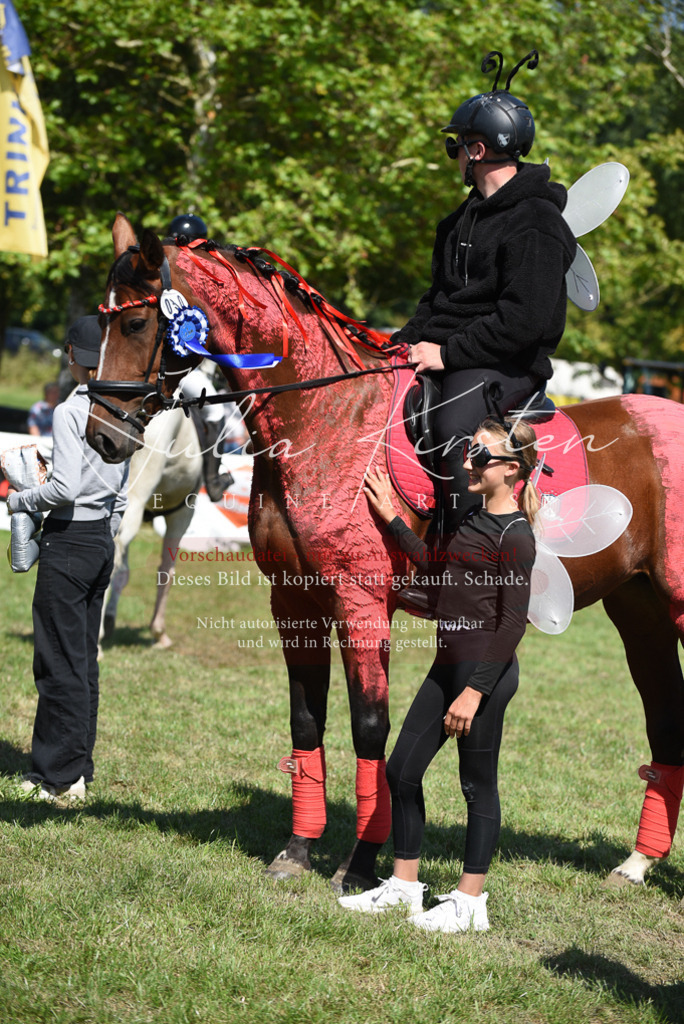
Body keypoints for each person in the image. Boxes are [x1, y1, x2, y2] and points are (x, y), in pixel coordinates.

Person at [338, 417, 538, 933]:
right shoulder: (472, 517)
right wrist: (393, 522)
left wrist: (474, 692)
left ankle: (470, 904)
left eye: (479, 456)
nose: (468, 461)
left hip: (483, 677)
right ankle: (405, 889)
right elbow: (438, 570)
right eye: (470, 451)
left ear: (510, 469)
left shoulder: (516, 535)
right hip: (445, 665)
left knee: (476, 786)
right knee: (401, 770)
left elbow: (514, 622)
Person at [393, 50, 576, 532]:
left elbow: (525, 321)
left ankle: (472, 558)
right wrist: (398, 342)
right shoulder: (456, 222)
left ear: (476, 151)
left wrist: (446, 353)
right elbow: (436, 300)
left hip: (509, 363)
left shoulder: (536, 221)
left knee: (453, 430)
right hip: (457, 355)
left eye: (456, 146)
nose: (453, 155)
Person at [8, 316, 129, 801]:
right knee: (83, 661)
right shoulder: (123, 409)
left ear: (76, 358)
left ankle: (56, 777)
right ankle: (78, 768)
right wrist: (105, 532)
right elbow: (119, 495)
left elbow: (65, 488)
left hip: (70, 537)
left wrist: (20, 500)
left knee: (57, 660)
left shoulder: (70, 410)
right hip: (101, 540)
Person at [166, 213, 242, 500]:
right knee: (215, 410)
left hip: (163, 364)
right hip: (180, 369)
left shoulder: (164, 270)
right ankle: (212, 478)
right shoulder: (199, 279)